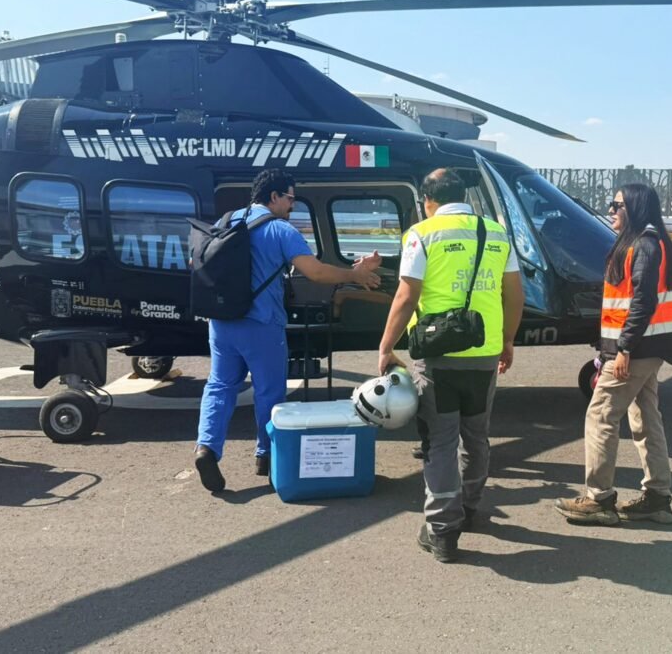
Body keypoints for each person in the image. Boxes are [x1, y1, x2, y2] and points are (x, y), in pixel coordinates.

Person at [195, 169, 382, 493]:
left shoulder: (226, 221)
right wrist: (354, 274)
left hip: (221, 321)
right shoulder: (280, 229)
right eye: (290, 198)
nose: (292, 205)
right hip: (261, 324)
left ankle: (206, 448)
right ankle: (266, 456)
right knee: (269, 391)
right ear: (274, 197)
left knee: (220, 385)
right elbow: (315, 272)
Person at [378, 168, 524, 562]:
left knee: (440, 441)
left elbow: (407, 296)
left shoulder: (421, 234)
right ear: (463, 195)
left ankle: (442, 531)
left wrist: (386, 347)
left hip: (437, 356)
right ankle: (470, 508)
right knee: (476, 436)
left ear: (427, 200)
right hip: (485, 351)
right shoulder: (496, 233)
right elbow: (514, 294)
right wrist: (507, 340)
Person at [554, 183, 672, 526]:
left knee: (600, 416)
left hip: (636, 350)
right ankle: (657, 497)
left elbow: (643, 303)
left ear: (635, 208)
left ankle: (598, 499)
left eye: (617, 205)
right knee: (645, 418)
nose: (611, 210)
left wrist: (624, 349)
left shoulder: (644, 246)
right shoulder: (651, 243)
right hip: (648, 348)